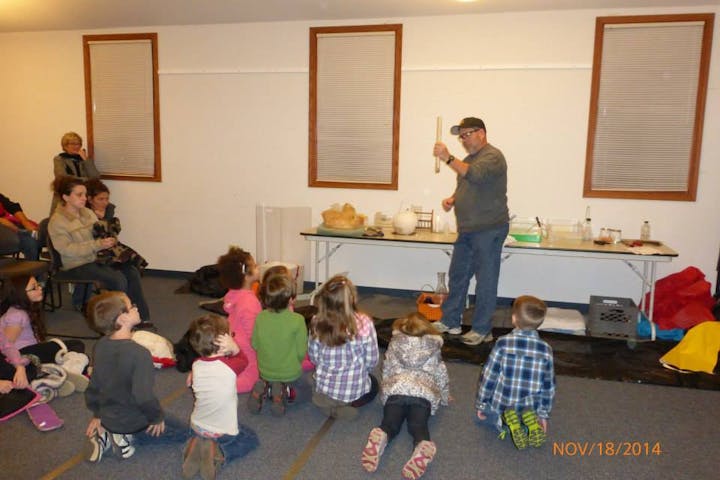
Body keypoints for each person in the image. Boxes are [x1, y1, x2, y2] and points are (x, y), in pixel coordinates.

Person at [83, 291, 189, 463]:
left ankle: (108, 432)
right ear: (122, 319)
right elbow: (144, 396)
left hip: (107, 413)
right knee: (185, 433)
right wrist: (156, 418)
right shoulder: (139, 354)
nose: (136, 307)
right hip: (132, 420)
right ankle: (122, 437)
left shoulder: (100, 345)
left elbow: (95, 385)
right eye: (131, 306)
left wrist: (97, 415)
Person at [432, 116, 510, 346]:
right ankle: (451, 321)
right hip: (468, 229)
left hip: (489, 228)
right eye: (461, 136)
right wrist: (453, 199)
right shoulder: (468, 159)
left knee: (485, 279)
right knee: (458, 275)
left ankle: (483, 329)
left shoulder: (493, 157)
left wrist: (447, 157)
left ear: (481, 133)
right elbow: (466, 184)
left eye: (467, 134)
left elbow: (474, 174)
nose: (463, 139)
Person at [47, 176, 153, 329]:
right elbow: (66, 250)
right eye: (79, 195)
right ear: (65, 197)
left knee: (131, 271)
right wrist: (97, 245)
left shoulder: (87, 213)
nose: (84, 198)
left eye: (84, 194)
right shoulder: (57, 222)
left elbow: (98, 235)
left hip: (96, 258)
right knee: (117, 280)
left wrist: (109, 235)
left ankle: (142, 318)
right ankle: (119, 324)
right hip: (75, 264)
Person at [361, 313, 449, 480]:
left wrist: (386, 389)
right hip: (423, 394)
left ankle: (382, 435)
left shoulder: (395, 344)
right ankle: (422, 444)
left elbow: (387, 368)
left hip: (396, 390)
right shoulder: (433, 347)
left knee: (390, 424)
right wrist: (444, 397)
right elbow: (441, 374)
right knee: (418, 426)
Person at [183, 314, 259, 479]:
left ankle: (196, 444)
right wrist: (235, 348)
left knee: (205, 430)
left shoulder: (196, 365)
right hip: (221, 431)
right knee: (251, 439)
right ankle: (220, 453)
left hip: (197, 425)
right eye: (230, 336)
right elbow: (244, 360)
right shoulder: (230, 366)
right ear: (222, 342)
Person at [475, 295, 555, 449]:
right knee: (530, 412)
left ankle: (505, 424)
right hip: (531, 404)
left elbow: (489, 376)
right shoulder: (546, 349)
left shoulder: (503, 343)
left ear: (513, 319)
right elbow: (548, 387)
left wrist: (481, 403)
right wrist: (543, 414)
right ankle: (528, 424)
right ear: (541, 322)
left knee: (489, 416)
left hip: (503, 402)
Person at [0, 274, 88, 392]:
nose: (40, 288)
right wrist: (19, 366)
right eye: (34, 287)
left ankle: (53, 375)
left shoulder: (22, 310)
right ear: (21, 294)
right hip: (22, 355)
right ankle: (62, 373)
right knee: (75, 346)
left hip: (28, 354)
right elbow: (6, 346)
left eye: (38, 285)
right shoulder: (17, 315)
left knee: (71, 350)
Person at [308, 274, 379, 420]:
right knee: (375, 385)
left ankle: (327, 404)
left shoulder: (316, 322)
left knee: (315, 380)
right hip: (353, 390)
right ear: (352, 299)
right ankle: (346, 405)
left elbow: (313, 356)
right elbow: (372, 360)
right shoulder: (364, 322)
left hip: (325, 387)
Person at [248, 273, 307, 416]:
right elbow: (301, 352)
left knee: (271, 378)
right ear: (291, 300)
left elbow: (254, 344)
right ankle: (282, 392)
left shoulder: (260, 317)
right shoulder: (298, 320)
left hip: (265, 371)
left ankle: (266, 388)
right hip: (289, 372)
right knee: (307, 391)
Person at [217, 246, 261, 393]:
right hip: (245, 350)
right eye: (255, 266)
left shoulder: (233, 294)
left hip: (231, 344)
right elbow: (254, 336)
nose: (258, 267)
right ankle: (216, 386)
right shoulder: (250, 302)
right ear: (247, 277)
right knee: (252, 379)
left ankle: (209, 377)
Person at [85, 178, 148, 270]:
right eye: (101, 199)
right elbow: (95, 235)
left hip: (110, 246)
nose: (105, 203)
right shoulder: (83, 213)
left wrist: (104, 218)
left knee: (133, 266)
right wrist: (99, 219)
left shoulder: (108, 209)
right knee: (126, 265)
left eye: (107, 199)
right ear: (90, 200)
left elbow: (114, 232)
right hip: (95, 250)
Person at [51, 132, 100, 214]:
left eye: (79, 144)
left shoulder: (83, 160)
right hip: (66, 196)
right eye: (73, 144)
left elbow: (95, 177)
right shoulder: (59, 159)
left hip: (82, 196)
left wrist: (86, 160)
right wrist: (86, 180)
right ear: (65, 146)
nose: (77, 146)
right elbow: (62, 177)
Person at [0, 193, 40, 260]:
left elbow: (13, 207)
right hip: (5, 231)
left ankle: (31, 267)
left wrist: (26, 222)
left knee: (32, 239)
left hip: (11, 225)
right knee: (27, 239)